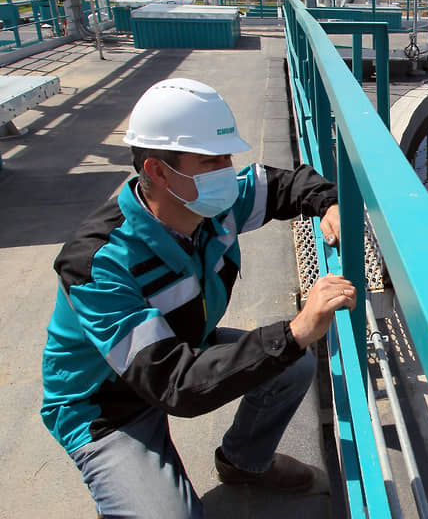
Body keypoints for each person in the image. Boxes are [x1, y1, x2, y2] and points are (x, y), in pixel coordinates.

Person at [40, 78, 356, 518]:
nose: (229, 171)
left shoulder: (209, 204)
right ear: (158, 171)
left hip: (183, 348)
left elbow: (282, 185)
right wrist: (296, 330)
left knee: (293, 364)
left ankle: (244, 462)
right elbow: (175, 385)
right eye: (212, 160)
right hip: (106, 404)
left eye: (228, 157)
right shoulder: (99, 265)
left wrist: (330, 203)